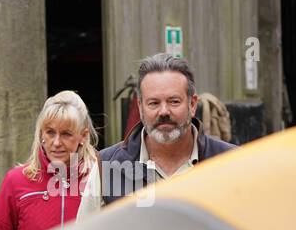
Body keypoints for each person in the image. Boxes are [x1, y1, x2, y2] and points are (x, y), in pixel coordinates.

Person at [87, 53, 236, 214]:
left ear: (192, 105)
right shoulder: (107, 166)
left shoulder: (232, 163)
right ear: (140, 107)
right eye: (154, 103)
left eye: (174, 101)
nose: (164, 111)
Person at [0, 90, 100, 230]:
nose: (56, 142)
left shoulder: (98, 180)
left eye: (66, 134)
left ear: (83, 136)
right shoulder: (16, 181)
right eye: (50, 132)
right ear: (41, 134)